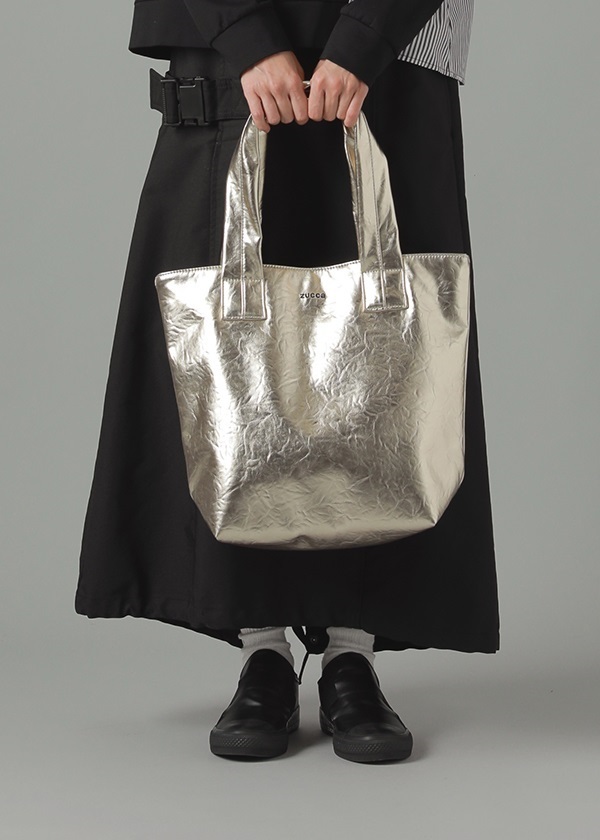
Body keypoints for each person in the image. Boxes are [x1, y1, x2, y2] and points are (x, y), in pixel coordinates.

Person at [75, 0, 500, 763]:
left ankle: (352, 653)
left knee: (381, 379)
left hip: (394, 48)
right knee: (231, 376)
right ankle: (261, 649)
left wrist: (365, 37)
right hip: (226, 44)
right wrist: (245, 33)